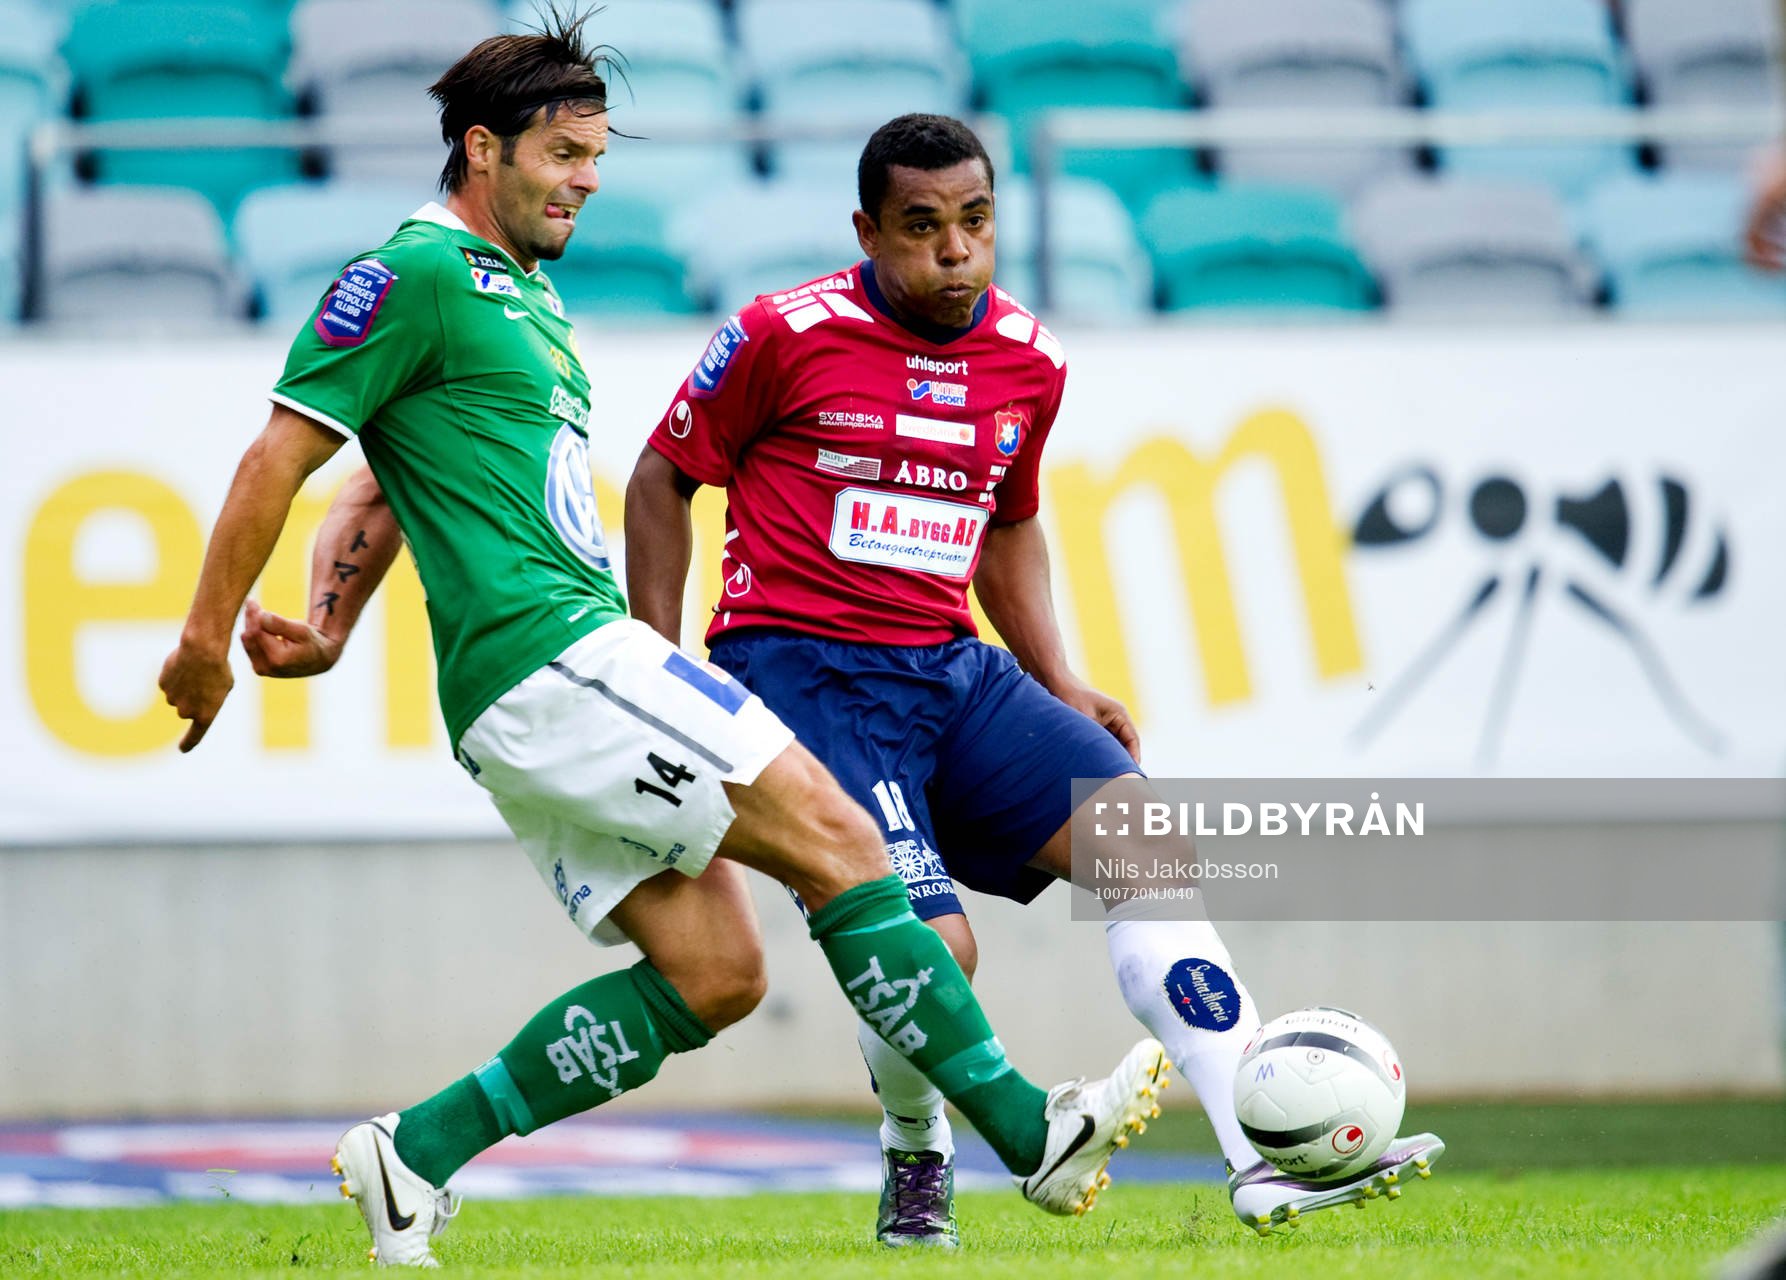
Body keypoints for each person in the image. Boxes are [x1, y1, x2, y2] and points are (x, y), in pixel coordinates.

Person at [260, 105, 1443, 1249]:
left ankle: (1255, 1154)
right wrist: (661, 662)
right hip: (802, 666)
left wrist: (1058, 675)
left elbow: (1010, 521)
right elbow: (663, 476)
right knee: (941, 947)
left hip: (950, 667)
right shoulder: (783, 331)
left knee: (1143, 840)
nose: (956, 248)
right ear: (868, 231)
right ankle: (916, 1151)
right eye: (925, 225)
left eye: (976, 219)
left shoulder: (1027, 359)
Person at [157, 16, 1166, 1269]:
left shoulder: (519, 297)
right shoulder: (414, 272)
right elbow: (282, 449)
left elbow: (375, 484)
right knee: (843, 840)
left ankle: (411, 1152)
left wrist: (324, 625)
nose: (587, 177)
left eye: (594, 153)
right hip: (554, 657)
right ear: (484, 150)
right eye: (565, 152)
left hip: (524, 693)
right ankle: (1028, 1131)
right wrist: (206, 637)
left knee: (715, 970)